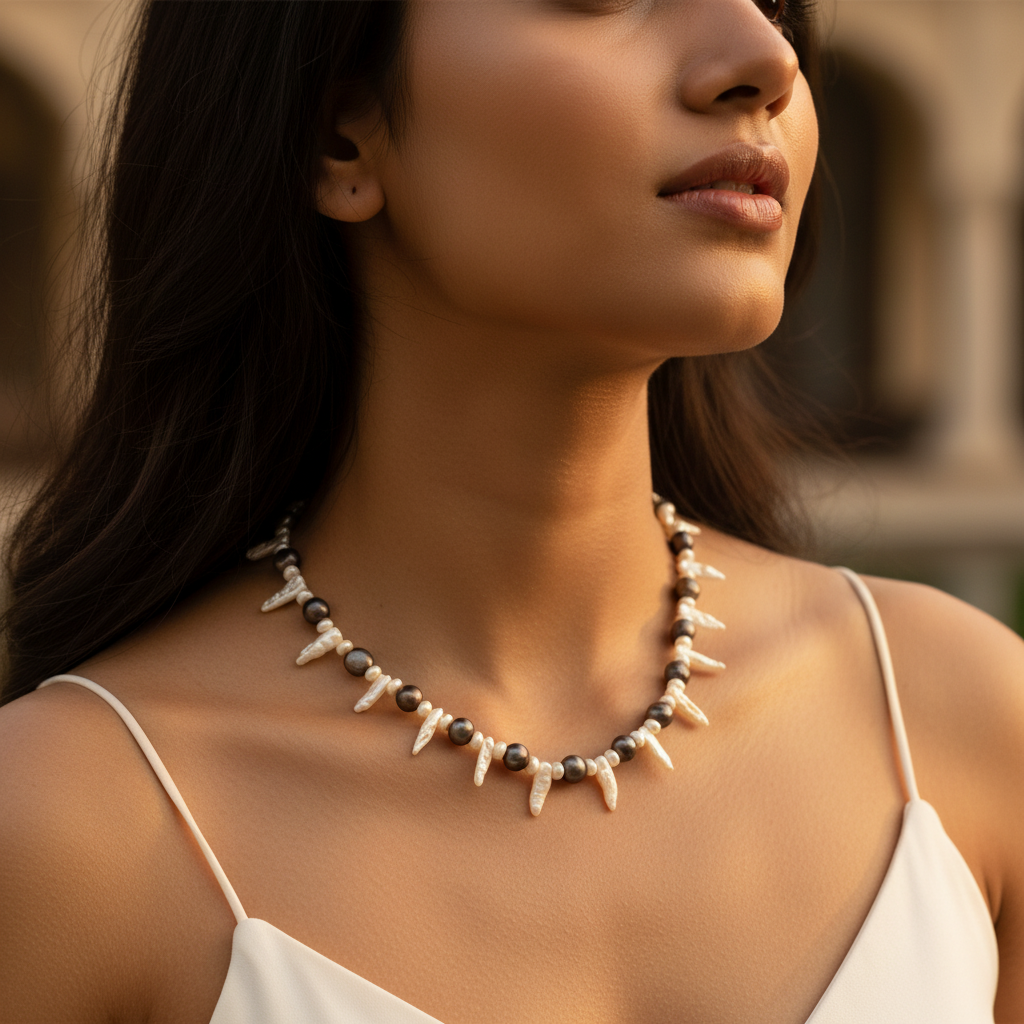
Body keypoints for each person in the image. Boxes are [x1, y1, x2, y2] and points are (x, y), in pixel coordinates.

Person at [0, 1, 1021, 1021]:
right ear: (338, 134)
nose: (765, 57)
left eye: (774, 1)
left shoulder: (963, 723)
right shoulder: (72, 828)